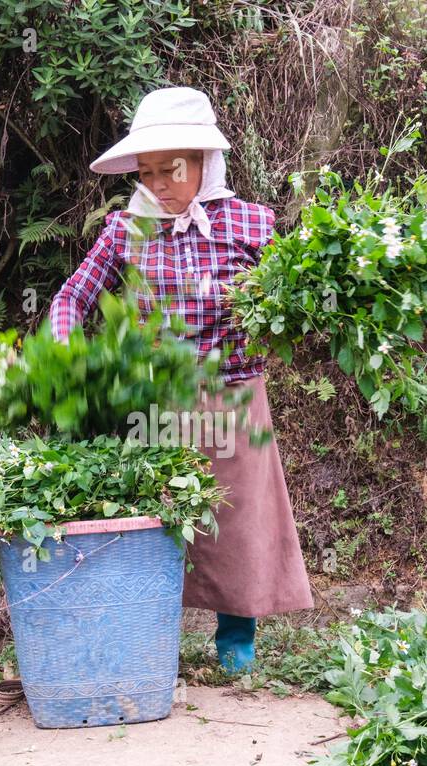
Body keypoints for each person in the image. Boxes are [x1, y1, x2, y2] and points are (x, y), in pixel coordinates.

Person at [48, 86, 313, 674]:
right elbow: (73, 296)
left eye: (171, 169)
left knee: (237, 518)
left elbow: (288, 308)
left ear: (202, 161)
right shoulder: (125, 230)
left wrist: (256, 309)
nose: (159, 184)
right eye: (147, 172)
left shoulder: (252, 222)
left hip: (234, 394)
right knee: (157, 519)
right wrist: (68, 351)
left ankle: (235, 642)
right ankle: (151, 639)